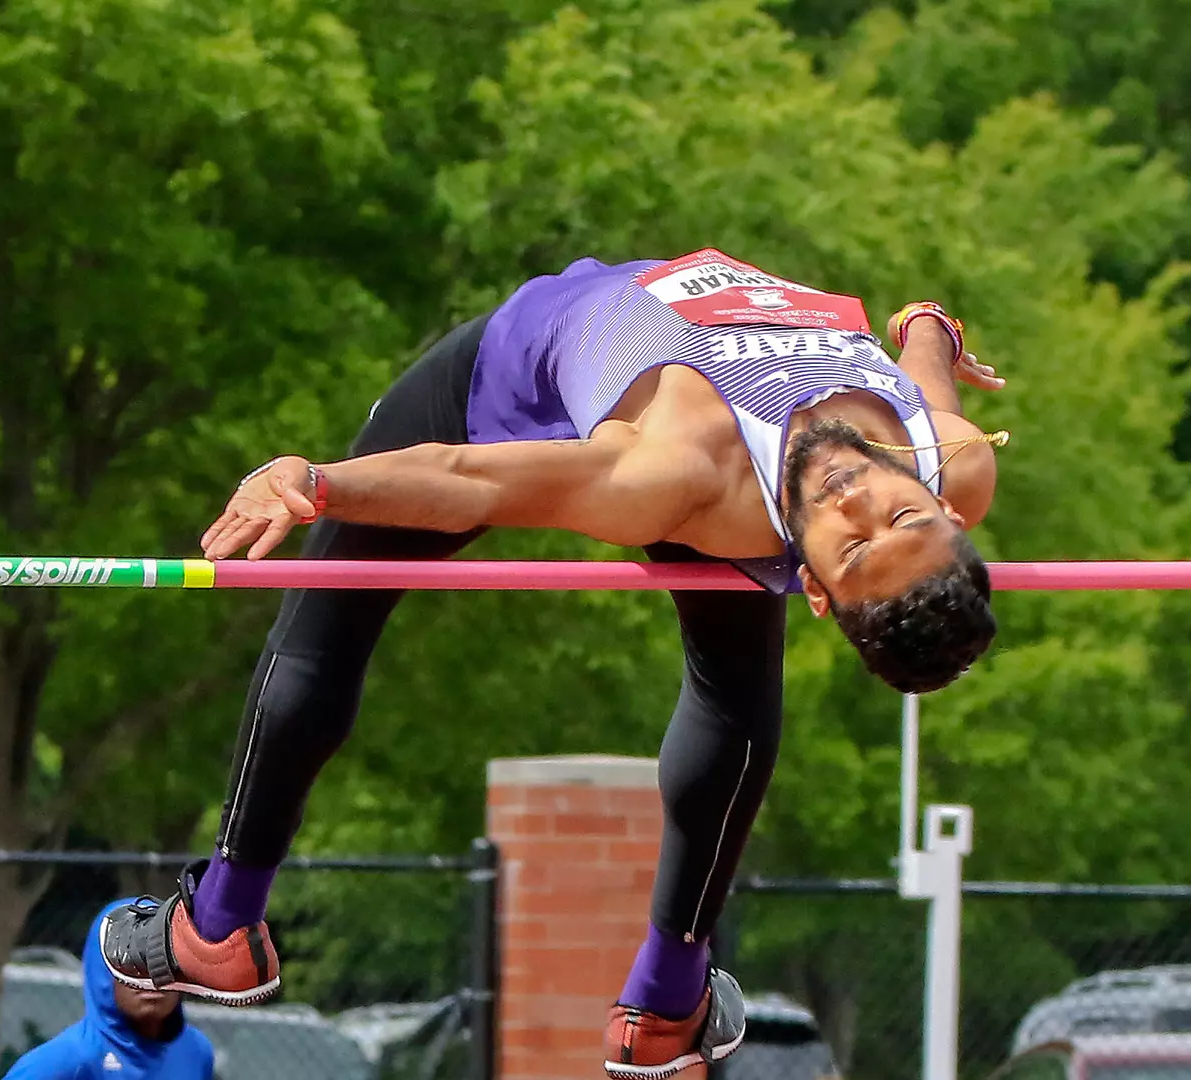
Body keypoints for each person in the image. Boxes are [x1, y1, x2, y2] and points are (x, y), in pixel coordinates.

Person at [100, 249, 1007, 1079]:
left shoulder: (678, 476)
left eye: (850, 552)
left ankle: (215, 927)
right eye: (903, 517)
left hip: (512, 385)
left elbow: (476, 478)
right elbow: (925, 380)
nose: (859, 506)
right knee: (733, 689)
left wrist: (316, 479)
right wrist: (929, 326)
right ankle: (666, 1007)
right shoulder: (953, 462)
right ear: (946, 511)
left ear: (812, 585)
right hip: (679, 394)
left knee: (326, 612)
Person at [6, 899, 216, 1079]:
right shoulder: (63, 1062)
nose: (150, 978)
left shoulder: (195, 1052)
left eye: (164, 960)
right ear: (102, 974)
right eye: (129, 961)